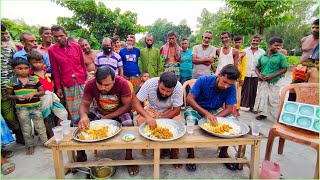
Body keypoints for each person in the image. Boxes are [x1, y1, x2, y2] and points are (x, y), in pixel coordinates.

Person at [76, 66, 138, 176]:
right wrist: (83, 115)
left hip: (120, 111)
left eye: (107, 85)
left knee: (128, 124)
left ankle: (129, 156)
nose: (102, 88)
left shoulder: (122, 83)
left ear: (114, 80)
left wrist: (109, 116)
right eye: (99, 84)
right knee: (77, 124)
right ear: (96, 80)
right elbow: (85, 103)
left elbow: (127, 106)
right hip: (100, 111)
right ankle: (81, 154)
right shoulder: (90, 84)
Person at [185, 64, 240, 171]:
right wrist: (207, 114)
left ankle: (223, 152)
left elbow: (229, 108)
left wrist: (215, 117)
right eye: (224, 82)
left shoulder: (231, 86)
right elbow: (189, 99)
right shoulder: (203, 80)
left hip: (215, 109)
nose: (226, 86)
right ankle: (190, 153)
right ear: (219, 75)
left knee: (231, 121)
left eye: (229, 84)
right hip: (197, 108)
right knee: (190, 122)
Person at [133, 72, 183, 169]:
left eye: (168, 91)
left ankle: (174, 152)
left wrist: (160, 119)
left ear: (173, 88)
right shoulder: (149, 83)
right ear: (158, 82)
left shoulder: (178, 87)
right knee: (140, 121)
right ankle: (156, 149)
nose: (164, 93)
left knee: (178, 123)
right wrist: (148, 117)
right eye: (162, 89)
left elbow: (176, 110)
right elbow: (136, 102)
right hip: (151, 110)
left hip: (169, 111)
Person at [6, 57, 47, 155]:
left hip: (35, 107)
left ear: (29, 68)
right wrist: (16, 97)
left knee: (40, 126)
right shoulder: (12, 81)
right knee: (26, 128)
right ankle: (30, 146)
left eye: (26, 68)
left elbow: (42, 91)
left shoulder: (34, 79)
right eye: (20, 68)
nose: (23, 70)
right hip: (22, 109)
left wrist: (34, 94)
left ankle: (46, 142)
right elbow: (8, 95)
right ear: (13, 69)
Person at [48, 25, 87, 122]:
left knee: (87, 103)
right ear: (53, 37)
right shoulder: (52, 50)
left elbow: (82, 63)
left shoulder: (76, 46)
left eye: (61, 35)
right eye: (56, 36)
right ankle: (77, 125)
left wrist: (84, 76)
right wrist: (58, 87)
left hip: (81, 80)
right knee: (73, 108)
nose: (59, 38)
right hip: (68, 82)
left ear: (66, 34)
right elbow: (55, 70)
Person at [28, 50, 68, 138]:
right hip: (41, 98)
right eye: (35, 62)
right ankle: (51, 136)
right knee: (46, 117)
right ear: (30, 63)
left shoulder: (48, 71)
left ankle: (58, 131)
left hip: (52, 96)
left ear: (43, 61)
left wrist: (56, 90)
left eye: (40, 62)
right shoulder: (29, 74)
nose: (38, 64)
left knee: (63, 113)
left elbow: (53, 80)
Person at [1, 21, 24, 145]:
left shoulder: (10, 48)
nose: (4, 35)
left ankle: (19, 134)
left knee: (10, 114)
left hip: (7, 86)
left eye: (4, 32)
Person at [254, 37, 288, 120]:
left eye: (279, 46)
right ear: (270, 45)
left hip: (274, 82)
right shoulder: (263, 56)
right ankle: (263, 114)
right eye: (276, 45)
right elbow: (256, 67)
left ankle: (277, 117)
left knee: (274, 100)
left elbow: (284, 69)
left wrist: (272, 76)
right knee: (263, 98)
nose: (278, 47)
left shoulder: (281, 57)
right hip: (263, 81)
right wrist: (259, 75)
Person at [240, 35, 265, 112]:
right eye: (254, 40)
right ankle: (242, 105)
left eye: (257, 41)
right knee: (244, 90)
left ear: (259, 42)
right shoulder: (245, 51)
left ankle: (253, 107)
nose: (255, 42)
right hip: (246, 73)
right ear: (251, 40)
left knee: (254, 91)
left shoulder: (262, 52)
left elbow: (263, 63)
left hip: (256, 74)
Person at [232, 36, 246, 117]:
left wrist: (242, 78)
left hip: (238, 77)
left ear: (241, 43)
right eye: (236, 42)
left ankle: (236, 110)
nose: (237, 44)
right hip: (231, 75)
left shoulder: (243, 53)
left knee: (238, 95)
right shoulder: (231, 51)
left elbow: (244, 66)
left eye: (239, 42)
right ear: (233, 42)